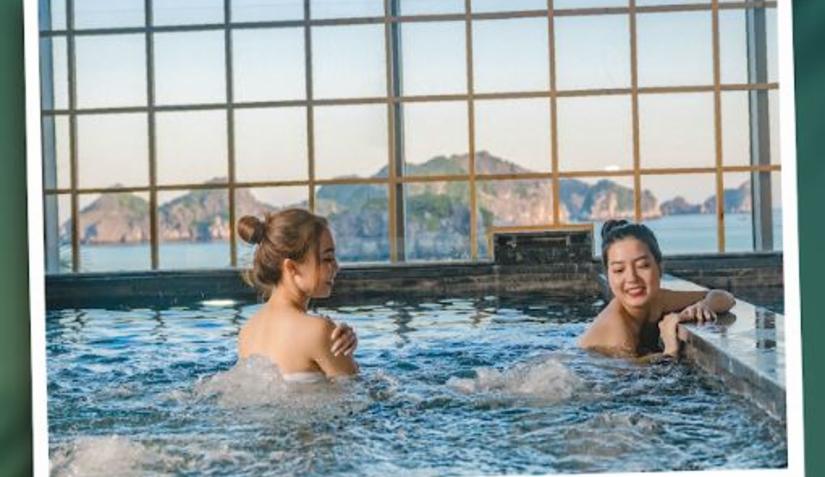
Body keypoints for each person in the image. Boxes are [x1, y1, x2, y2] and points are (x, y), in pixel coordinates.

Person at [579, 219, 735, 359]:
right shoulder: (617, 330)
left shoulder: (658, 300)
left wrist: (703, 306)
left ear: (660, 268)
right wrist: (670, 348)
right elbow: (634, 379)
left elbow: (725, 297)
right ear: (608, 276)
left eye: (642, 266)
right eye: (619, 270)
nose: (632, 278)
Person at [236, 208, 359, 380]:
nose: (336, 267)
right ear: (292, 267)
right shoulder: (320, 332)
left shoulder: (246, 332)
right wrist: (348, 353)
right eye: (327, 259)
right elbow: (360, 390)